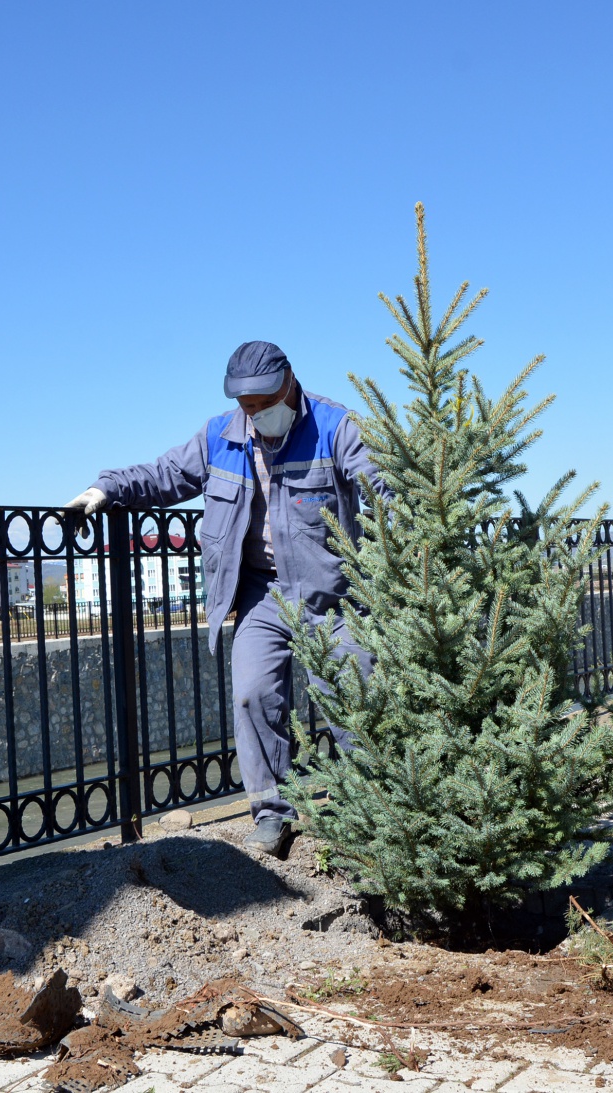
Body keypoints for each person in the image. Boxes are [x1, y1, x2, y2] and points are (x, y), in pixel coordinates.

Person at [64, 341, 387, 856]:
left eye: (264, 401)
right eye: (247, 405)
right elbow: (165, 475)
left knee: (352, 702)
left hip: (334, 595)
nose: (256, 413)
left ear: (288, 383)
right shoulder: (222, 435)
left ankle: (374, 813)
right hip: (261, 594)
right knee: (251, 695)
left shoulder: (335, 426)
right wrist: (106, 489)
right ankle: (272, 814)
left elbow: (383, 481)